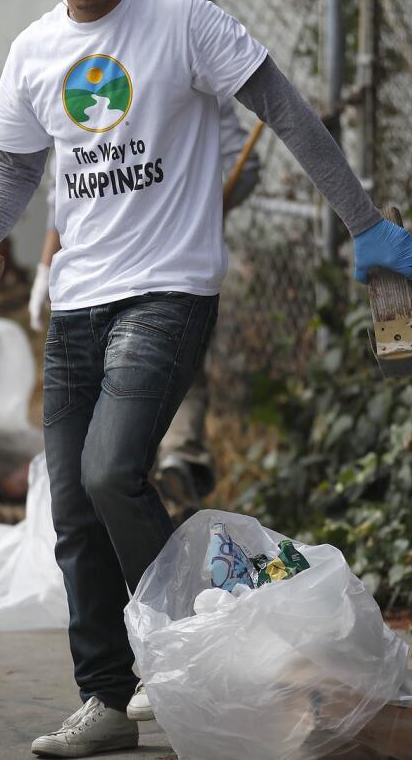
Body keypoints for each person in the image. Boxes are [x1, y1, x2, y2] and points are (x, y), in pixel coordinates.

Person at [0, 0, 412, 758]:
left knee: (112, 470)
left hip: (168, 289)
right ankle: (105, 700)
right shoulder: (35, 50)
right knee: (73, 509)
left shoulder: (183, 22)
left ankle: (196, 653)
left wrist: (365, 224)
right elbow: (15, 168)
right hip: (78, 298)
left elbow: (284, 110)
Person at [28, 99, 262, 523]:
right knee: (145, 394)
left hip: (167, 272)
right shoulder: (64, 76)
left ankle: (173, 467)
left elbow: (241, 166)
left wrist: (196, 205)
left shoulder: (185, 65)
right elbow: (63, 187)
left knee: (156, 378)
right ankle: (163, 467)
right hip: (100, 282)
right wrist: (46, 265)